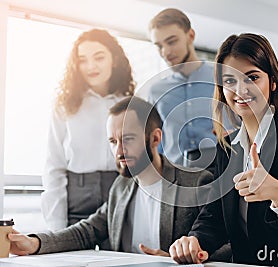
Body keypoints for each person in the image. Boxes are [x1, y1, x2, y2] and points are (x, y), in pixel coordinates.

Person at [169, 33, 278, 266]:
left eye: (251, 77)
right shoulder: (227, 149)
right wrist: (195, 241)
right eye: (230, 81)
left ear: (272, 82)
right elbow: (214, 216)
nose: (240, 89)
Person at [9, 96, 230, 258]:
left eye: (128, 139)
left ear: (155, 138)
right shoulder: (121, 187)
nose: (119, 152)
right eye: (113, 142)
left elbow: (228, 245)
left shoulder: (196, 182)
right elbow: (87, 231)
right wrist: (34, 243)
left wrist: (187, 260)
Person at [41, 28, 135, 231]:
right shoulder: (65, 106)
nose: (90, 66)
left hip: (120, 189)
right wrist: (57, 225)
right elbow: (53, 165)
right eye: (82, 59)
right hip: (76, 195)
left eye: (99, 57)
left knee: (120, 261)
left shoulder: (130, 104)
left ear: (114, 60)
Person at [146, 8, 232, 166]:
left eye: (172, 41)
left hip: (223, 170)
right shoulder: (155, 91)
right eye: (159, 46)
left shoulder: (223, 77)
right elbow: (154, 142)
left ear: (190, 36)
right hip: (176, 178)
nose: (166, 51)